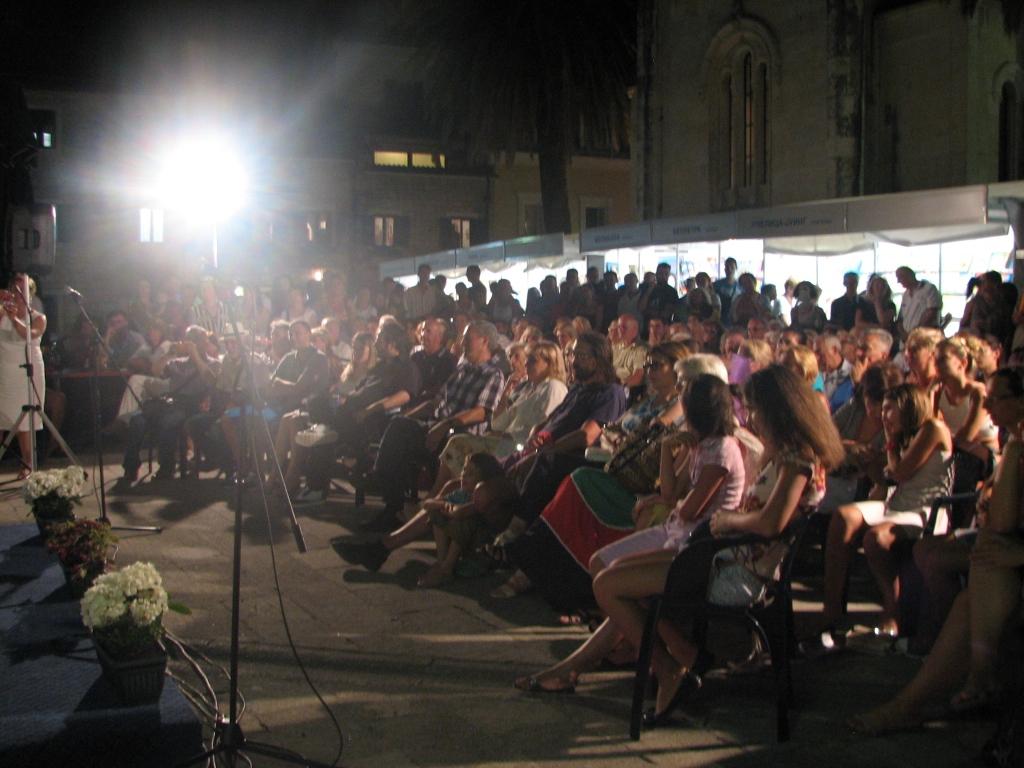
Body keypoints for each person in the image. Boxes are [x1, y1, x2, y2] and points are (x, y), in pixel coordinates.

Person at [514, 366, 843, 713]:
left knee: (611, 586)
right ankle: (590, 667)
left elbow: (772, 522)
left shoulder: (796, 462)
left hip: (734, 570)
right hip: (719, 555)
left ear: (778, 410)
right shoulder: (786, 458)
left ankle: (666, 668)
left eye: (756, 410)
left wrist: (728, 519)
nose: (752, 418)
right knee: (613, 576)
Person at [849, 368, 1024, 735]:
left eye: (997, 398)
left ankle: (957, 682)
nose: (988, 406)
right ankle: (936, 685)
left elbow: (1004, 521)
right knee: (969, 573)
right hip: (983, 538)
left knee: (984, 564)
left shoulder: (939, 431)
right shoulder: (1013, 440)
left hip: (939, 519)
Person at [815, 383, 954, 646]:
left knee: (876, 538)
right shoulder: (904, 435)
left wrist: (888, 441)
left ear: (908, 408)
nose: (883, 416)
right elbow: (887, 477)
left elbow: (900, 473)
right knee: (844, 517)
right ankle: (832, 611)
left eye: (890, 410)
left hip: (925, 510)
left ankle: (893, 609)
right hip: (896, 504)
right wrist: (865, 458)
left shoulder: (932, 429)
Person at [367, 320, 506, 531]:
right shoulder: (462, 369)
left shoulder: (493, 374)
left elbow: (481, 411)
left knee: (403, 435)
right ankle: (390, 498)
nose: (462, 342)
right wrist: (408, 415)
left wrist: (444, 426)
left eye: (467, 338)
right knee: (399, 424)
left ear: (484, 341)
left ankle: (396, 504)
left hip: (459, 434)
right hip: (436, 426)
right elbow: (436, 402)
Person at [432, 341, 568, 494]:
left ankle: (443, 496)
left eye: (533, 360)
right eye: (527, 359)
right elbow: (497, 423)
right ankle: (446, 497)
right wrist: (506, 392)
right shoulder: (528, 388)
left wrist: (508, 435)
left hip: (519, 447)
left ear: (550, 363)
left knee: (458, 444)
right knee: (459, 446)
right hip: (503, 441)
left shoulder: (554, 387)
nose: (526, 364)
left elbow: (543, 425)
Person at [0, 274, 46, 479]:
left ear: (30, 293)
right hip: (4, 369)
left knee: (25, 420)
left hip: (28, 371)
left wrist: (14, 318)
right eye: (14, 289)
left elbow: (30, 334)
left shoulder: (38, 317)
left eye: (22, 290)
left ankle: (27, 463)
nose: (18, 294)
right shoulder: (2, 312)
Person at [896, 266, 942, 340]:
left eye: (901, 277)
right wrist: (903, 334)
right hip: (907, 338)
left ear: (910, 275)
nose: (898, 281)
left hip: (925, 337)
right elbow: (900, 317)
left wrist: (915, 332)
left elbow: (932, 312)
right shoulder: (905, 294)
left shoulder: (929, 289)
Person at [712, 257, 740, 324]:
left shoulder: (740, 286)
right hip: (719, 319)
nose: (729, 269)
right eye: (727, 267)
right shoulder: (716, 285)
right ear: (724, 269)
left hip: (735, 320)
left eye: (732, 267)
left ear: (736, 268)